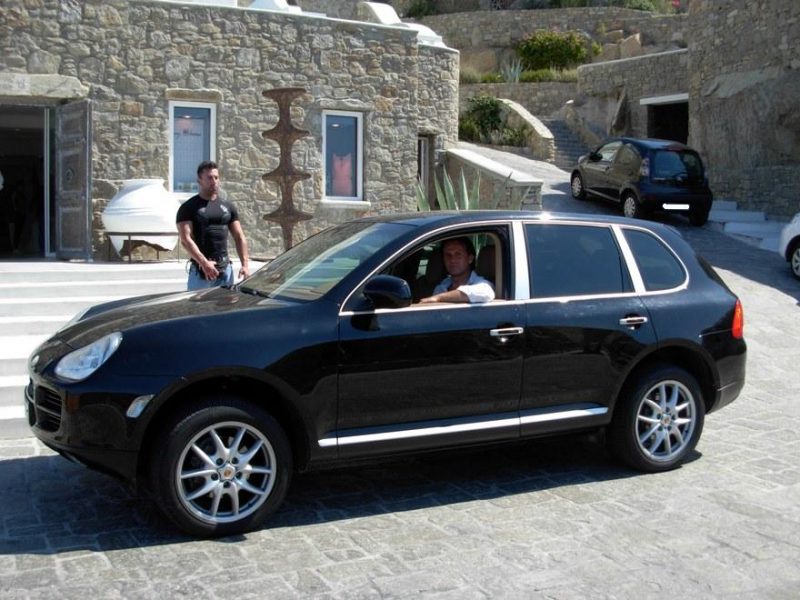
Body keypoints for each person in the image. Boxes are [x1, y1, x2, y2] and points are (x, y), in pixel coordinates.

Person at [176, 161, 250, 290]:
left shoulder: (228, 207)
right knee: (198, 304)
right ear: (199, 180)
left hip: (225, 271)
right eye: (209, 178)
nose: (214, 181)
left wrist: (245, 265)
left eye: (216, 177)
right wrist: (204, 263)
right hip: (201, 273)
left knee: (226, 304)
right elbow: (185, 240)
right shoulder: (188, 208)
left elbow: (239, 237)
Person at [419, 237, 495, 304]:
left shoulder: (481, 283)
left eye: (458, 254)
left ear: (470, 258)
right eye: (448, 255)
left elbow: (485, 293)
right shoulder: (442, 286)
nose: (452, 260)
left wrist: (438, 298)